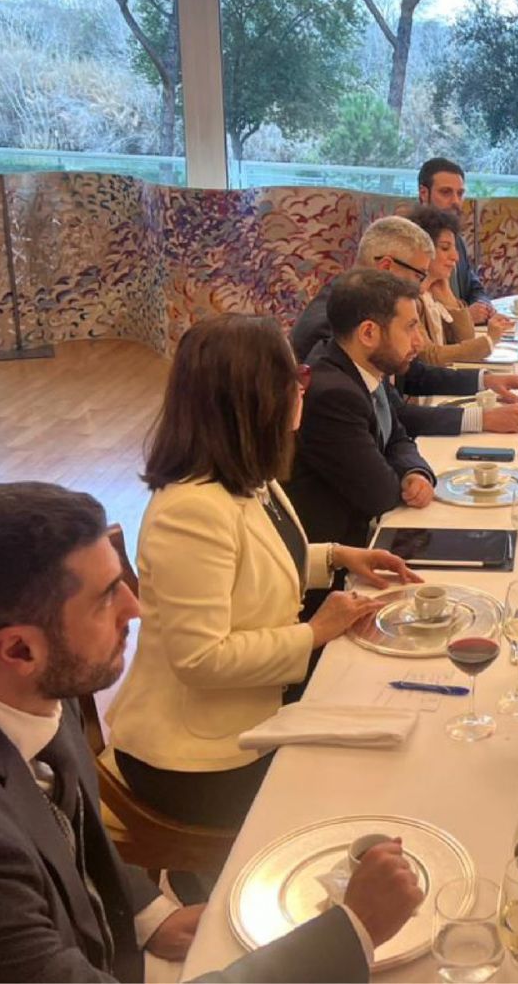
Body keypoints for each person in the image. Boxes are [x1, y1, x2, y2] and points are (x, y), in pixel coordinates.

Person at [0, 482, 424, 982]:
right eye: (106, 596)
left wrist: (151, 916)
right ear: (18, 649)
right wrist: (352, 930)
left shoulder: (6, 688)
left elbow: (69, 835)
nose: (136, 608)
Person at [104, 315, 420, 831]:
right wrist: (315, 632)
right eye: (295, 376)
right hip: (199, 755)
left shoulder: (247, 474)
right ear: (254, 398)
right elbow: (201, 659)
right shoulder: (190, 511)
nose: (303, 387)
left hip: (253, 712)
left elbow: (254, 564)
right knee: (373, 786)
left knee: (391, 711)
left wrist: (337, 557)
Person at [290, 216, 518, 437]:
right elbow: (391, 416)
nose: (422, 288)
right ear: (386, 268)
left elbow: (413, 375)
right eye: (419, 276)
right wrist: (482, 419)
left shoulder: (368, 307)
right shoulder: (334, 326)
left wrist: (485, 381)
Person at [287, 269, 439, 549]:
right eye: (410, 328)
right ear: (368, 333)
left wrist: (414, 472)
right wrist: (405, 481)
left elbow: (397, 437)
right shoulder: (332, 395)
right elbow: (380, 494)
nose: (418, 341)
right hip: (338, 557)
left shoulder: (363, 366)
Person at [400, 205, 511, 365]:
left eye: (455, 248)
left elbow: (465, 338)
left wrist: (450, 298)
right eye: (445, 248)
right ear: (422, 249)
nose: (455, 257)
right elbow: (430, 356)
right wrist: (489, 340)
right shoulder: (409, 298)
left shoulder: (433, 290)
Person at [417, 156, 493, 320]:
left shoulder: (456, 239)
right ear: (424, 193)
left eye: (460, 194)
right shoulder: (409, 242)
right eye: (446, 192)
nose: (455, 201)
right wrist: (465, 316)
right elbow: (411, 310)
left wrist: (483, 304)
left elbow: (472, 285)